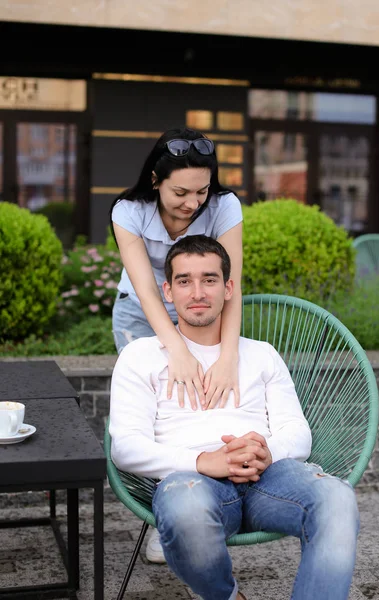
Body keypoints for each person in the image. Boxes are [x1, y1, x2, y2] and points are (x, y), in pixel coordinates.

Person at [109, 235, 360, 600]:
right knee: (185, 512)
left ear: (228, 288)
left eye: (209, 279)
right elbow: (126, 447)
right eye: (184, 281)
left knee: (338, 498)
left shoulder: (261, 354)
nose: (197, 292)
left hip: (270, 477)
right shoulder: (140, 356)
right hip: (191, 479)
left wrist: (264, 451)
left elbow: (297, 431)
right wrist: (203, 461)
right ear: (168, 290)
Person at [109, 127, 243, 561]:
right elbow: (149, 292)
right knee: (157, 417)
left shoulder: (224, 206)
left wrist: (228, 355)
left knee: (199, 410)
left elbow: (231, 288)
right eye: (181, 192)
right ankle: (161, 521)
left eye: (201, 191)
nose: (192, 203)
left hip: (202, 309)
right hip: (140, 314)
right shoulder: (128, 211)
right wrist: (178, 351)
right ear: (155, 180)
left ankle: (190, 511)